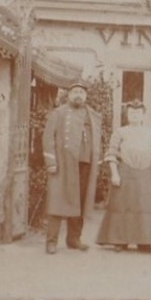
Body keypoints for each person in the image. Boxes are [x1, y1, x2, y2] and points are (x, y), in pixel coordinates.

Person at [42, 80, 102, 254]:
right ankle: (51, 241)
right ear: (68, 95)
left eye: (81, 92)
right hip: (63, 164)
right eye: (75, 92)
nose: (78, 95)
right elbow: (47, 139)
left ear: (86, 96)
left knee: (80, 203)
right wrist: (51, 162)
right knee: (57, 201)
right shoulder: (58, 114)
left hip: (85, 164)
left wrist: (96, 161)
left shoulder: (92, 115)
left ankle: (74, 239)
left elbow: (97, 139)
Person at [96, 99, 151, 253]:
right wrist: (115, 174)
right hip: (125, 172)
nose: (134, 115)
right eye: (131, 112)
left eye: (138, 112)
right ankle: (120, 240)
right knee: (122, 206)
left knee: (145, 206)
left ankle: (145, 242)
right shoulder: (120, 132)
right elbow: (112, 153)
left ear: (143, 115)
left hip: (146, 173)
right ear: (127, 115)